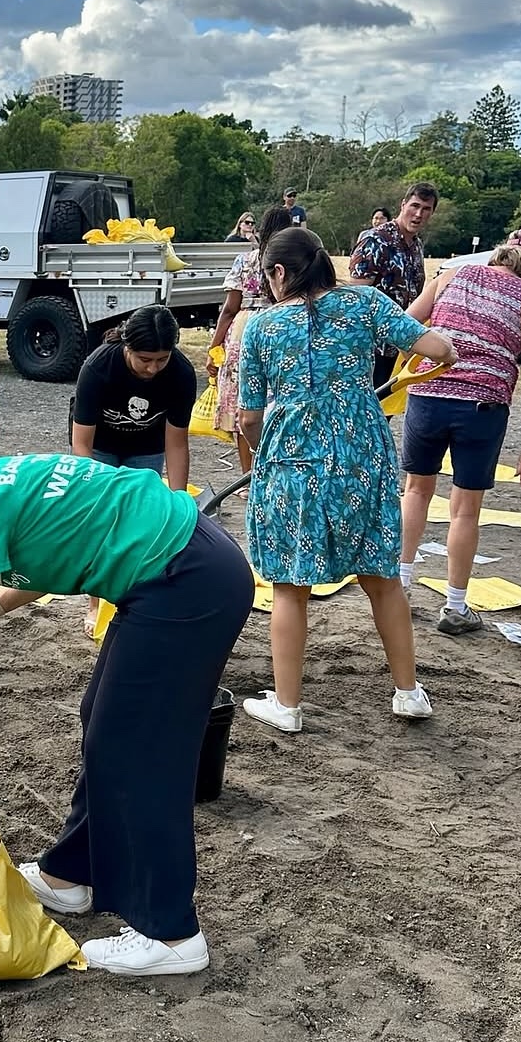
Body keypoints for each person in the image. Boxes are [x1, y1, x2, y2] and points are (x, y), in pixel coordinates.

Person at [0, 430, 254, 977]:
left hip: (185, 579)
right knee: (102, 723)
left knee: (138, 751)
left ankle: (171, 932)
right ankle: (72, 874)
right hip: (187, 561)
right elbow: (55, 550)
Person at [238, 228, 456, 733]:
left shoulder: (260, 326)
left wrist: (254, 460)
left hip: (292, 457)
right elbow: (439, 348)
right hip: (362, 455)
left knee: (290, 585)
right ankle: (407, 692)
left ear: (277, 273)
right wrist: (439, 351)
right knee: (381, 577)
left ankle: (287, 706)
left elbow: (248, 417)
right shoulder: (366, 303)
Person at [399, 227, 521, 636]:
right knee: (465, 508)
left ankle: (398, 588)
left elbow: (402, 326)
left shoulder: (451, 276)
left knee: (416, 490)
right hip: (482, 407)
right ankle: (455, 607)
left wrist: (411, 368)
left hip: (427, 396)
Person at [69, 306, 196, 636]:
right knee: (101, 526)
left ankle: (135, 601)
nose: (153, 368)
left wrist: (180, 503)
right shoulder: (99, 366)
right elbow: (81, 443)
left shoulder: (181, 373)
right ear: (127, 347)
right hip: (99, 446)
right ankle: (96, 605)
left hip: (146, 449)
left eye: (161, 359)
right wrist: (93, 491)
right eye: (144, 359)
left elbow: (177, 443)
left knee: (142, 525)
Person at [209, 205, 292, 470]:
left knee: (244, 404)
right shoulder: (295, 261)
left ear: (260, 230)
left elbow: (230, 308)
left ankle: (248, 477)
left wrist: (214, 346)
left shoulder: (245, 261)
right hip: (283, 327)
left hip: (244, 328)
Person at [349, 182, 439, 390]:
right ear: (403, 204)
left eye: (426, 209)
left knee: (383, 416)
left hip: (399, 348)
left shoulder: (416, 246)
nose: (418, 214)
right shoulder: (376, 240)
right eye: (414, 206)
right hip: (370, 350)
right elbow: (356, 298)